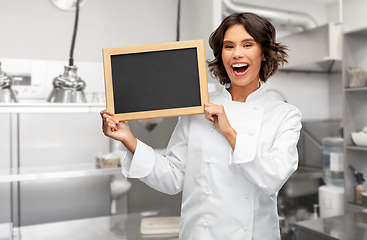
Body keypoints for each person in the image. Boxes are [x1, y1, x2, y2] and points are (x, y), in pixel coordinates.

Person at [101, 12, 302, 240]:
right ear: (221, 55)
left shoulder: (284, 115)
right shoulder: (198, 109)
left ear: (264, 53)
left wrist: (228, 131)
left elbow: (273, 178)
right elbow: (174, 178)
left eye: (248, 44)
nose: (237, 54)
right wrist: (130, 140)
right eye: (228, 46)